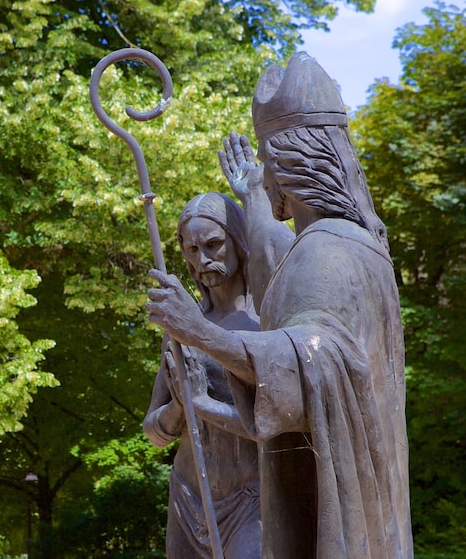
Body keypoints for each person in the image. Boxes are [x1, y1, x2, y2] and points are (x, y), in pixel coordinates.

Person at [146, 53, 413, 558]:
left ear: (292, 164)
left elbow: (305, 359)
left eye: (268, 167)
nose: (266, 181)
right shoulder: (346, 243)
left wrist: (200, 337)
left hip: (263, 501)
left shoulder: (326, 251)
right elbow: (283, 283)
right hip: (198, 493)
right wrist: (251, 194)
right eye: (190, 248)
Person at [142, 192, 266, 559]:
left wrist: (201, 404)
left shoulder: (264, 321)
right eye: (191, 249)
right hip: (188, 496)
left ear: (238, 241)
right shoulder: (180, 325)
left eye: (213, 245)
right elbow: (153, 433)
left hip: (251, 502)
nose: (202, 259)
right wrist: (180, 408)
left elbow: (272, 426)